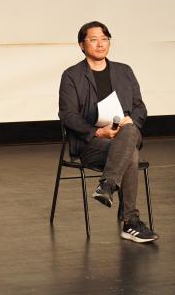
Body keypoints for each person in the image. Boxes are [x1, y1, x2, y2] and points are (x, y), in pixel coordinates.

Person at [58, 21, 158, 243]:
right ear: (81, 45)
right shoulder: (72, 75)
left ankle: (107, 185)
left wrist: (130, 120)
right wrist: (97, 132)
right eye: (94, 40)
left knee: (129, 130)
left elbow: (140, 107)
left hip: (125, 134)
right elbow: (67, 115)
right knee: (131, 154)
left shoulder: (124, 71)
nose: (100, 44)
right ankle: (130, 222)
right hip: (92, 144)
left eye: (105, 39)